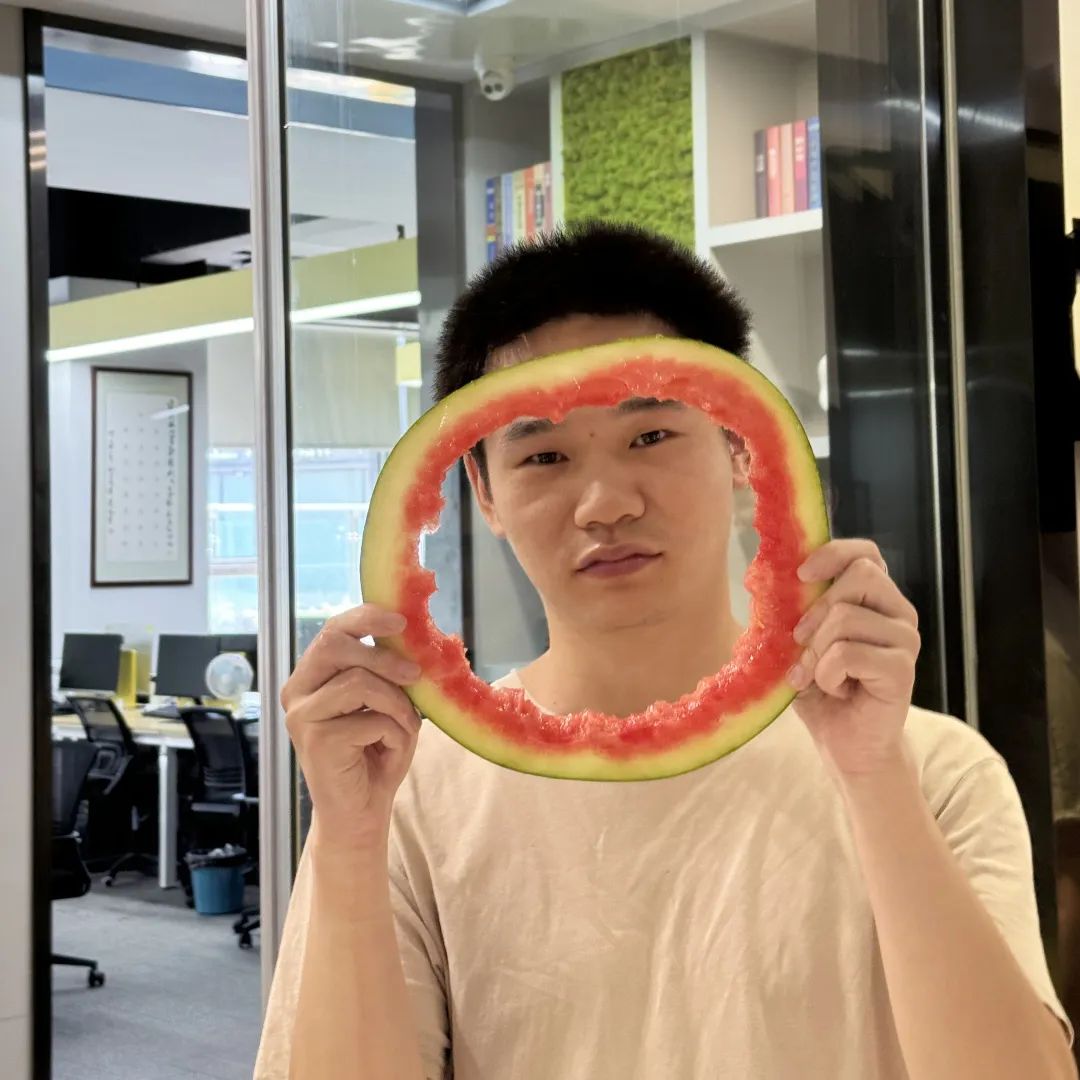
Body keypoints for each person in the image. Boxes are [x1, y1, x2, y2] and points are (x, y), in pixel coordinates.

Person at [256, 222, 1075, 1080]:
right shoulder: (409, 792)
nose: (605, 504)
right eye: (543, 455)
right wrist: (347, 841)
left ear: (739, 444)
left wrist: (874, 781)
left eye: (650, 436)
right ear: (484, 492)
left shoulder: (932, 770)